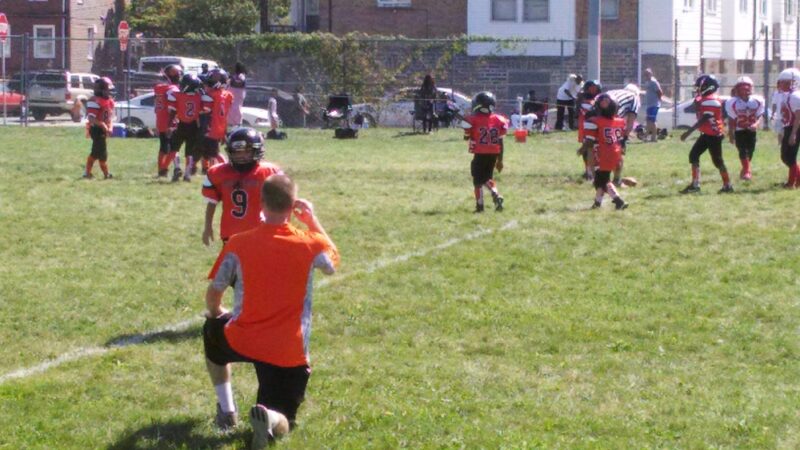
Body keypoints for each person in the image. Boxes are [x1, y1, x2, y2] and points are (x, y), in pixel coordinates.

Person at [202, 173, 339, 449]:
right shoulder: (310, 243)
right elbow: (331, 263)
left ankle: (227, 410)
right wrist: (312, 220)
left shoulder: (238, 242)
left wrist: (217, 312)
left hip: (242, 339)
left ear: (261, 204)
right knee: (284, 420)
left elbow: (214, 292)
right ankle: (271, 418)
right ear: (293, 207)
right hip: (287, 352)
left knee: (211, 332)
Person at [202, 127, 283, 251]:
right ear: (230, 152)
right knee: (234, 267)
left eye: (247, 152)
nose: (242, 156)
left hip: (261, 230)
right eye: (237, 152)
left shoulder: (268, 172)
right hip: (231, 232)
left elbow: (282, 203)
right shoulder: (218, 173)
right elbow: (211, 203)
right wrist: (208, 226)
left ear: (257, 150)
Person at [679, 74, 733, 194]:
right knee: (693, 155)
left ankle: (727, 185)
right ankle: (695, 185)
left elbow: (704, 118)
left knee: (718, 161)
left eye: (699, 87)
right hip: (707, 133)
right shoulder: (707, 99)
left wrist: (688, 132)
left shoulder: (711, 100)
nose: (697, 89)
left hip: (714, 135)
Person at [579, 93, 628, 210]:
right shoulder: (620, 121)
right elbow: (621, 141)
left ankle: (618, 200)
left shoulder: (593, 121)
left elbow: (590, 142)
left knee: (603, 180)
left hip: (601, 153)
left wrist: (582, 149)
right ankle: (597, 203)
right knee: (600, 180)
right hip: (615, 153)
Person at [461, 91, 509, 213]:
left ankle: (481, 206)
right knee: (487, 178)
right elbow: (500, 141)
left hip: (480, 153)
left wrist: (467, 135)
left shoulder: (473, 119)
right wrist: (500, 160)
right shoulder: (499, 119)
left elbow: (467, 135)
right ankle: (495, 194)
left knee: (478, 180)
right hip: (494, 153)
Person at [725, 76, 764, 181]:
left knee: (750, 152)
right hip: (739, 130)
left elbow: (760, 115)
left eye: (746, 88)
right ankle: (747, 172)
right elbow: (732, 119)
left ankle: (745, 171)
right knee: (742, 150)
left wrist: (756, 124)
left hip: (751, 130)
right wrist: (731, 133)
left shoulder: (758, 100)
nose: (744, 91)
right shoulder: (732, 102)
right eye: (741, 88)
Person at [167, 73, 203, 181]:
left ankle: (177, 167)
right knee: (190, 152)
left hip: (181, 125)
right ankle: (187, 174)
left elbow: (172, 111)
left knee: (174, 148)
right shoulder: (199, 97)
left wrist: (169, 124)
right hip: (194, 126)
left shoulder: (177, 95)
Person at [605, 85, 641, 187]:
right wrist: (625, 137)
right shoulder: (634, 97)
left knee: (599, 147)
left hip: (595, 114)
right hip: (611, 118)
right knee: (618, 150)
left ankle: (595, 176)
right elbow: (630, 122)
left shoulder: (613, 91)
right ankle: (617, 180)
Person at [200, 68, 233, 171]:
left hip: (210, 126)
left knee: (213, 153)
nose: (208, 84)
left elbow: (206, 110)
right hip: (220, 125)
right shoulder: (228, 95)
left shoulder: (211, 95)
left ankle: (225, 167)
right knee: (207, 150)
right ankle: (205, 169)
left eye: (211, 80)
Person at [154, 64, 183, 180]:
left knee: (163, 147)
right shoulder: (172, 90)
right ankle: (172, 168)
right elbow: (173, 107)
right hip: (170, 121)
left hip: (160, 120)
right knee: (173, 147)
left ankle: (161, 169)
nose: (179, 76)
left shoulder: (158, 88)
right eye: (178, 74)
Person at [83, 77, 115, 179]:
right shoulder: (95, 100)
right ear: (100, 90)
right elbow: (91, 118)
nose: (109, 92)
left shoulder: (109, 101)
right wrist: (103, 125)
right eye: (107, 90)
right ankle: (103, 174)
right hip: (96, 129)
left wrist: (110, 127)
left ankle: (91, 173)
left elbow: (110, 117)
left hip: (103, 129)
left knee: (99, 153)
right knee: (100, 153)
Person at [777, 67, 800, 188]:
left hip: (795, 127)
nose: (781, 84)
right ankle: (796, 179)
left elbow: (798, 117)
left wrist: (793, 133)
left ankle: (791, 183)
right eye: (781, 81)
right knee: (785, 156)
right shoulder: (786, 95)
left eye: (785, 82)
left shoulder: (795, 96)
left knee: (789, 156)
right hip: (789, 127)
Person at [576, 80, 602, 180]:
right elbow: (578, 111)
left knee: (592, 149)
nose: (592, 90)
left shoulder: (597, 102)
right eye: (591, 88)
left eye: (594, 88)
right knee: (587, 150)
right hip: (584, 128)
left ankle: (593, 171)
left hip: (594, 129)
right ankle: (588, 171)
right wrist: (579, 99)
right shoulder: (583, 101)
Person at [643, 68, 664, 143]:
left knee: (651, 121)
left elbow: (660, 92)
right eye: (645, 74)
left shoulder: (653, 82)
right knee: (650, 121)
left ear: (651, 74)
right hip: (649, 104)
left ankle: (651, 137)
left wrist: (659, 100)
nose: (646, 75)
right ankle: (650, 137)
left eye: (648, 74)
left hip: (654, 104)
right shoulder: (647, 82)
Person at [228, 62, 247, 128]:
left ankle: (237, 123)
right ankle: (232, 123)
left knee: (236, 108)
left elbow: (240, 82)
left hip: (237, 94)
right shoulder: (235, 76)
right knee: (233, 108)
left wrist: (232, 80)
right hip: (234, 93)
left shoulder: (240, 76)